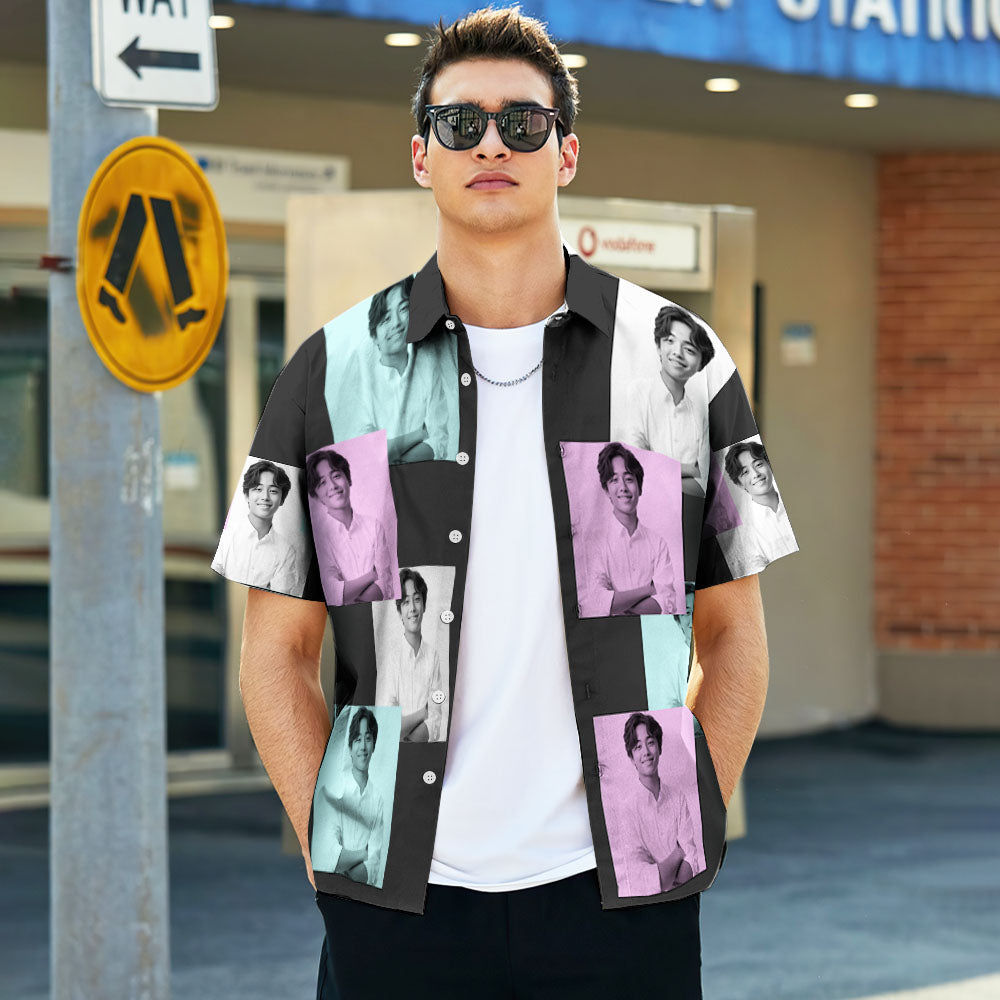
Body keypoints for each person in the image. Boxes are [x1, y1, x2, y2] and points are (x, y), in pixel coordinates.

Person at [224, 7, 798, 998]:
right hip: (395, 901)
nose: (491, 144)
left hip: (621, 898)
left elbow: (734, 632)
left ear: (565, 153)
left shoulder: (679, 364)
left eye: (523, 123)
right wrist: (334, 844)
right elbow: (275, 654)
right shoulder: (332, 372)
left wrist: (686, 815)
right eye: (460, 124)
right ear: (422, 156)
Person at [623, 305, 714, 496]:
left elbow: (703, 485)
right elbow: (632, 467)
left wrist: (658, 469)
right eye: (670, 341)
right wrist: (688, 469)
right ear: (658, 346)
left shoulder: (700, 414)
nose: (677, 352)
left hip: (687, 511)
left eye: (689, 349)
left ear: (700, 363)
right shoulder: (637, 394)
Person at [584, 441, 680, 617]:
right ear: (606, 490)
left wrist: (617, 604)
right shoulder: (596, 543)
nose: (623, 487)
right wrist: (648, 589)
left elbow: (667, 602)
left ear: (639, 487)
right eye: (614, 480)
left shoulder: (658, 543)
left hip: (651, 630)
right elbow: (598, 601)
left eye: (629, 479)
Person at [618, 712, 702, 897]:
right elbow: (642, 876)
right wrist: (678, 852)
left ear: (659, 747)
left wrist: (666, 874)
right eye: (638, 747)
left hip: (682, 896)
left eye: (650, 742)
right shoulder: (627, 810)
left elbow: (692, 857)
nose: (646, 753)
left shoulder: (678, 798)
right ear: (631, 757)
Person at [305, 447, 393, 606]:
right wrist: (372, 575)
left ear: (348, 479)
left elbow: (386, 583)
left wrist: (350, 595)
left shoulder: (373, 526)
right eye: (322, 482)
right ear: (317, 497)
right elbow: (332, 593)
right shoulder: (319, 539)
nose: (332, 486)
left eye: (336, 476)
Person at [375, 567, 449, 742]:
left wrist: (405, 734)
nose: (413, 609)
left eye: (417, 599)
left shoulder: (432, 657)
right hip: (395, 755)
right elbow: (388, 725)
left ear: (424, 605)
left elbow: (435, 721)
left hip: (424, 753)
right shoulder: (392, 660)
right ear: (399, 612)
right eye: (406, 602)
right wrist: (422, 713)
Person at [210, 458, 301, 595]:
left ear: (282, 499)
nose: (265, 497)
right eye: (258, 489)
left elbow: (279, 596)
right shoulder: (228, 537)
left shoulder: (286, 551)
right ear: (246, 495)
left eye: (273, 491)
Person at [319, 707, 386, 887]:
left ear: (374, 745)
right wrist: (363, 853)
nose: (363, 747)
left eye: (368, 739)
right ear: (350, 748)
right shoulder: (335, 791)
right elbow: (328, 856)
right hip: (332, 891)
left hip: (366, 894)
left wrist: (344, 863)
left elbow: (374, 867)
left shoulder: (378, 800)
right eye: (357, 740)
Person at [720, 440, 798, 575]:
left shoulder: (797, 498)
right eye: (745, 472)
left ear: (769, 464)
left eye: (758, 464)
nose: (755, 474)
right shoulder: (748, 533)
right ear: (739, 484)